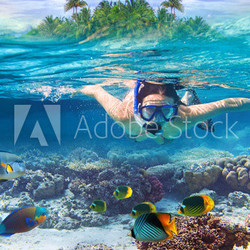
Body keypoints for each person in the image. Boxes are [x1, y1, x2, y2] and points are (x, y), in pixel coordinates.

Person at [80, 80, 250, 144]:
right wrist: (78, 89)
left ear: (175, 108)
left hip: (174, 119)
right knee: (134, 135)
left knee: (167, 139)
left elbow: (228, 104)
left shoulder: (184, 116)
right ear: (138, 108)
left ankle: (188, 96)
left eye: (166, 111)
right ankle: (187, 96)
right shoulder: (123, 114)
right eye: (150, 110)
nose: (157, 119)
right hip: (136, 128)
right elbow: (96, 90)